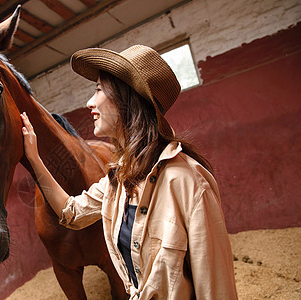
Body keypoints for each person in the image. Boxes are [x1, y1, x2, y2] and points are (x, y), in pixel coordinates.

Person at [21, 45, 238, 299]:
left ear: (126, 98)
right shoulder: (118, 181)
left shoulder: (187, 182)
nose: (89, 102)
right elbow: (71, 212)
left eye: (99, 90)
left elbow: (216, 289)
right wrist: (34, 159)